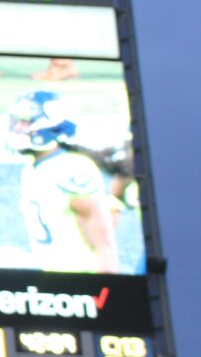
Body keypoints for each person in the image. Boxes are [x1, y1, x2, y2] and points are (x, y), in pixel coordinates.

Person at [7, 90, 121, 273]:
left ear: (51, 125)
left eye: (26, 121)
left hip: (82, 277)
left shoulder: (71, 169)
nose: (18, 128)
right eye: (18, 121)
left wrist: (107, 284)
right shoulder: (34, 165)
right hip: (54, 275)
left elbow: (102, 241)